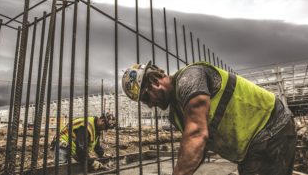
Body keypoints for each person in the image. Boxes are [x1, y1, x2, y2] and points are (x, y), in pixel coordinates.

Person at [122, 61, 296, 175]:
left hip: (273, 128)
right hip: (252, 147)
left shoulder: (190, 79)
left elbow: (197, 134)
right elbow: (198, 148)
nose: (150, 105)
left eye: (146, 98)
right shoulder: (176, 113)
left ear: (155, 83)